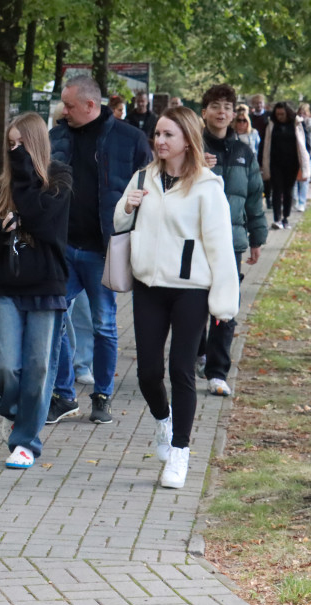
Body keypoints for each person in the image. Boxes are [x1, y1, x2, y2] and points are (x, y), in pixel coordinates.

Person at [116, 106, 239, 489]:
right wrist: (127, 206)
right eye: (157, 134)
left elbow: (220, 247)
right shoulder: (143, 176)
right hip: (148, 287)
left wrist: (223, 303)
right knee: (148, 373)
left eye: (168, 134)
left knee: (181, 369)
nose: (159, 141)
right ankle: (163, 422)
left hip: (190, 290)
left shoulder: (207, 185)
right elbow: (120, 224)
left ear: (187, 139)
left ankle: (181, 453)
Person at [47, 75, 153, 425]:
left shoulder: (130, 139)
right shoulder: (57, 136)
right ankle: (63, 395)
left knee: (104, 324)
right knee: (54, 319)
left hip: (103, 252)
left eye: (70, 105)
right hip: (63, 248)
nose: (64, 110)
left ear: (91, 106)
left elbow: (151, 188)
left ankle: (102, 394)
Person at [0, 112, 72, 469]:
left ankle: (26, 441)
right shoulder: (2, 187)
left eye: (21, 144)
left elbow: (44, 222)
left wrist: (25, 175)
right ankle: (13, 410)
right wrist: (0, 229)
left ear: (35, 144)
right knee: (3, 366)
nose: (14, 152)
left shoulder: (59, 179)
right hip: (9, 289)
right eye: (9, 145)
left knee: (39, 368)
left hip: (47, 288)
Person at [198, 85, 268, 398]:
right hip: (194, 241)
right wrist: (196, 167)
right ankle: (195, 356)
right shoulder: (190, 146)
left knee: (225, 308)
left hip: (231, 240)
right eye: (215, 106)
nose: (222, 112)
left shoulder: (244, 152)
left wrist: (258, 236)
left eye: (227, 106)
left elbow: (254, 196)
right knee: (194, 305)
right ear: (204, 112)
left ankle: (217, 372)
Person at [261, 102, 311, 230]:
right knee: (276, 190)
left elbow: (304, 142)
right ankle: (277, 218)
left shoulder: (296, 124)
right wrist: (261, 162)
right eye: (277, 114)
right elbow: (264, 144)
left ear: (287, 113)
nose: (279, 117)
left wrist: (307, 158)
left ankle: (286, 218)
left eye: (282, 114)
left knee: (288, 191)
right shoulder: (271, 125)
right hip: (275, 163)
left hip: (292, 163)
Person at [295, 103, 311, 212]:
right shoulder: (295, 124)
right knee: (295, 179)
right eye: (300, 112)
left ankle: (302, 202)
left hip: (308, 154)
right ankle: (295, 200)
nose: (302, 115)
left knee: (305, 179)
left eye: (304, 112)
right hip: (297, 154)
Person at [249, 95, 271, 208]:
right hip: (254, 148)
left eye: (260, 103)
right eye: (256, 103)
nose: (259, 105)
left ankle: (268, 197)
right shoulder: (249, 117)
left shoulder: (269, 116)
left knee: (266, 173)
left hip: (266, 147)